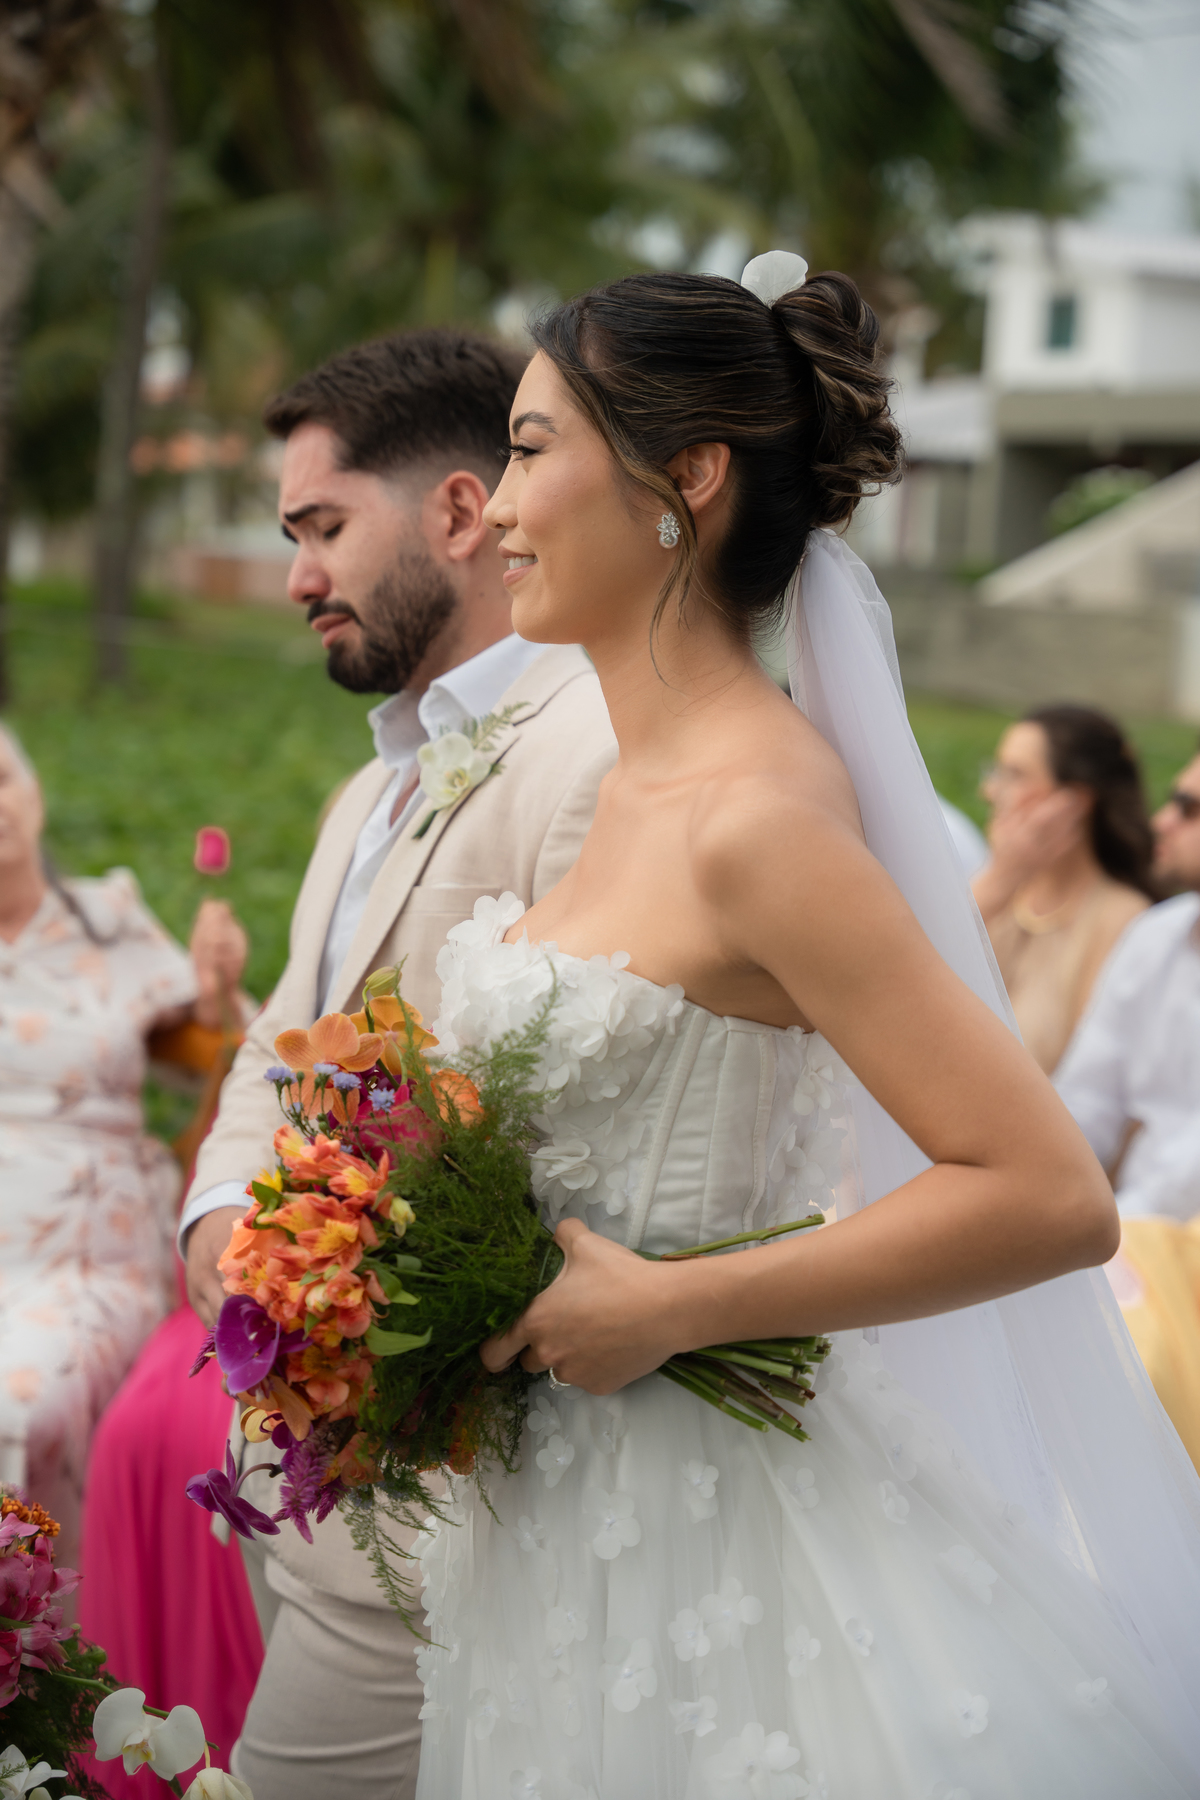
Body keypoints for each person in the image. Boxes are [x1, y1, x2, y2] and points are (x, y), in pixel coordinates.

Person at [409, 259, 1200, 1796]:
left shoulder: (758, 818)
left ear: (684, 480)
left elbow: (1048, 1194)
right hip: (549, 1529)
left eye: (526, 446)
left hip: (717, 1542)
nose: (490, 504)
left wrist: (675, 1309)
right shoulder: (624, 791)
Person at [177, 328, 617, 1800]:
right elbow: (279, 1043)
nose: (297, 577)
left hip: (448, 1490)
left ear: (454, 512)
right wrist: (222, 1227)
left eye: (321, 528)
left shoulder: (592, 753)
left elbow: (570, 1131)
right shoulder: (369, 783)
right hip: (300, 1452)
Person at [0, 723, 247, 1571]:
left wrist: (220, 984)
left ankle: (43, 1651)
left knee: (19, 1404)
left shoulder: (106, 918)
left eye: (2, 777)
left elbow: (217, 1050)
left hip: (85, 1255)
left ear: (31, 789)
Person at [1055, 744, 1200, 1473]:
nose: (1161, 821)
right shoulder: (1157, 936)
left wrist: (1118, 1234)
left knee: (1126, 1363)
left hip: (1172, 1238)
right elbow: (1085, 1102)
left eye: (1190, 809)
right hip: (1134, 1231)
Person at [971, 704, 1155, 1074]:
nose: (990, 791)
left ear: (1073, 802)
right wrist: (1001, 877)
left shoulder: (1121, 919)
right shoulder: (994, 893)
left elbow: (1091, 1079)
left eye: (1015, 775)